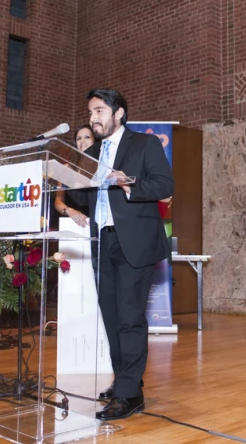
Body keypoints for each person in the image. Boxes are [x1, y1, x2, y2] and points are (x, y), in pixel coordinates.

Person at [69, 88, 174, 421]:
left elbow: (164, 185)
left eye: (99, 111)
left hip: (135, 242)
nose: (92, 118)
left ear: (119, 114)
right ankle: (128, 384)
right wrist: (71, 176)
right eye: (90, 113)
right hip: (102, 242)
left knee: (129, 318)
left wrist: (126, 182)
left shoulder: (144, 144)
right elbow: (83, 200)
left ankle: (128, 395)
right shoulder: (93, 152)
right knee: (112, 319)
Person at [54, 125, 96, 227]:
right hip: (71, 223)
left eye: (87, 137)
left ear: (95, 141)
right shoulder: (67, 169)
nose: (82, 141)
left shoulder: (102, 167)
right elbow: (58, 200)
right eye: (79, 138)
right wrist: (68, 210)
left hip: (96, 223)